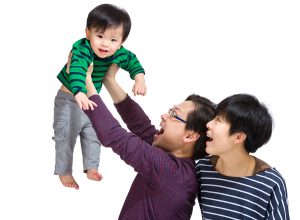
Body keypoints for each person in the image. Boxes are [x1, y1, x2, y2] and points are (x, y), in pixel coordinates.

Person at [83, 65, 215, 219]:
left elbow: (113, 134)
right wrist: (109, 80)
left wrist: (85, 80)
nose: (164, 116)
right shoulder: (176, 162)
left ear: (190, 136)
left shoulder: (170, 171)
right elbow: (141, 126)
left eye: (173, 114)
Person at [53, 4, 146, 189]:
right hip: (69, 99)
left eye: (113, 39)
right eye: (100, 36)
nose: (105, 44)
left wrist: (139, 79)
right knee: (65, 135)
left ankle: (91, 167)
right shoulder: (83, 49)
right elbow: (78, 70)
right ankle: (64, 171)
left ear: (121, 42)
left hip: (91, 100)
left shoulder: (119, 53)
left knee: (93, 134)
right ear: (88, 33)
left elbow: (133, 62)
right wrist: (79, 91)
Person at [195, 94, 290, 219]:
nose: (208, 124)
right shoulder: (202, 169)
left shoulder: (270, 183)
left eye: (218, 120)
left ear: (239, 137)